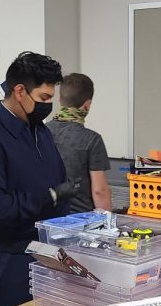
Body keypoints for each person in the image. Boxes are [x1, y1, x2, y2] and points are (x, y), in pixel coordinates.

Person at [0, 52, 75, 306]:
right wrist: (46, 196)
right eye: (43, 99)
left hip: (48, 255)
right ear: (19, 91)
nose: (48, 106)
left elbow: (57, 185)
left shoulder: (40, 131)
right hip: (11, 261)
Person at [47, 73, 112, 214]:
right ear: (87, 105)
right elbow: (99, 191)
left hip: (46, 219)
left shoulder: (41, 133)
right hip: (79, 223)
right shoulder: (92, 140)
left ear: (59, 100)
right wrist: (108, 225)